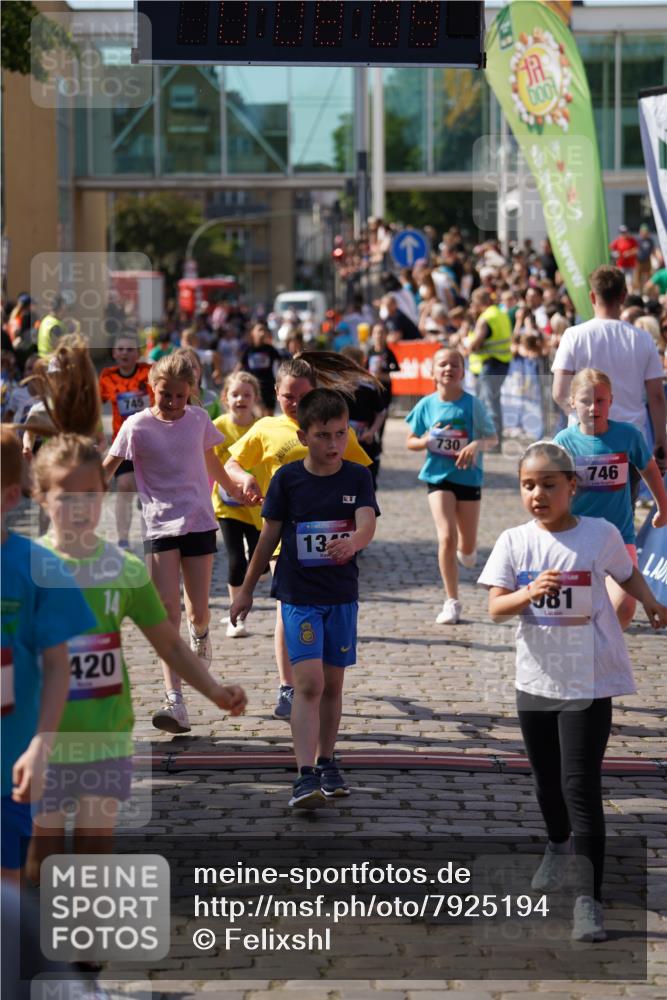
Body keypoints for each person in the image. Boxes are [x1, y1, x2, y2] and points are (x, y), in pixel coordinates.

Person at [26, 433, 246, 878]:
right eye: (65, 497)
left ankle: (83, 945)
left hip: (104, 733)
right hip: (39, 736)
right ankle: (36, 943)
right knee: (41, 855)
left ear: (103, 495)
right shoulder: (23, 567)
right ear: (41, 497)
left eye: (89, 495)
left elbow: (166, 642)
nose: (78, 507)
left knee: (93, 850)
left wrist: (214, 691)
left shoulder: (122, 570)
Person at [478, 441, 667, 942]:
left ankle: (589, 899)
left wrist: (649, 604)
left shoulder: (599, 534)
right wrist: (527, 592)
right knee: (546, 783)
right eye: (528, 485)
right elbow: (496, 608)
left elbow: (627, 574)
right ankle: (557, 845)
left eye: (548, 485)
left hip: (589, 678)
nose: (538, 494)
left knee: (579, 786)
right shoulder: (514, 542)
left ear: (572, 487)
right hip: (537, 678)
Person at [230, 388, 379, 809]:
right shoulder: (287, 479)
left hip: (341, 596)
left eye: (340, 434)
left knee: (333, 686)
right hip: (299, 595)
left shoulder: (357, 477)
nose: (334, 445)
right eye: (323, 436)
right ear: (302, 436)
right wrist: (246, 589)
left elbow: (366, 523)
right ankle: (304, 774)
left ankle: (328, 761)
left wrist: (352, 542)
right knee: (309, 684)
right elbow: (268, 537)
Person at [224, 353, 375, 721]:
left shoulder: (333, 429)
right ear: (276, 393)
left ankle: (316, 682)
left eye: (302, 396)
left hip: (328, 537)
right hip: (282, 533)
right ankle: (289, 686)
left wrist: (356, 528)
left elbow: (357, 470)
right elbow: (231, 462)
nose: (295, 404)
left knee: (320, 610)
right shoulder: (265, 428)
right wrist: (243, 478)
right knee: (286, 606)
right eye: (288, 396)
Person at [102, 352, 246, 734]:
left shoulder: (199, 420)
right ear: (153, 388)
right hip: (159, 526)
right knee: (167, 614)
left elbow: (212, 460)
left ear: (190, 394)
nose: (171, 403)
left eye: (179, 396)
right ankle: (174, 701)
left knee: (197, 611)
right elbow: (107, 468)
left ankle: (200, 635)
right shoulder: (135, 426)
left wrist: (234, 489)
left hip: (199, 521)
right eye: (165, 394)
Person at [0, 427, 94, 881]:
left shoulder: (38, 568)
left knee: (8, 885)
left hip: (9, 765)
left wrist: (42, 743)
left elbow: (58, 665)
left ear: (10, 496)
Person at [553, 368, 667, 629]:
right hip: (576, 538)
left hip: (619, 536)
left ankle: (603, 646)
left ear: (611, 401)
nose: (593, 408)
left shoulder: (627, 435)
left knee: (625, 606)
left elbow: (648, 468)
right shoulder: (564, 441)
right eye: (585, 401)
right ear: (572, 403)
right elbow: (551, 488)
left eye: (601, 401)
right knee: (576, 611)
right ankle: (588, 652)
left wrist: (663, 506)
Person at [406, 347, 497, 625]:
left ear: (463, 371)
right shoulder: (427, 404)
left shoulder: (473, 405)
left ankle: (466, 552)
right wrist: (426, 441)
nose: (448, 369)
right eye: (442, 364)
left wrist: (475, 444)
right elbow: (411, 440)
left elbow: (492, 439)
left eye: (455, 364)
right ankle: (452, 601)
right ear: (433, 372)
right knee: (446, 537)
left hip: (469, 478)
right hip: (438, 477)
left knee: (468, 550)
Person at [551, 266, 667, 477]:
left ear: (592, 296)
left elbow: (559, 392)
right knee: (624, 508)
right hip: (629, 441)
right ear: (623, 296)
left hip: (583, 440)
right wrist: (661, 440)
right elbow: (657, 396)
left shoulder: (574, 335)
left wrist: (583, 418)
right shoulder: (643, 338)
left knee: (579, 506)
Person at [212, 372, 263, 638]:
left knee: (260, 562)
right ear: (225, 398)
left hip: (256, 505)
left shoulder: (262, 427)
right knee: (236, 560)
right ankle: (237, 618)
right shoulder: (218, 427)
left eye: (246, 394)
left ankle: (256, 567)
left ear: (255, 398)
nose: (240, 399)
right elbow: (208, 462)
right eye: (235, 394)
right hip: (227, 503)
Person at [99, 334, 153, 548]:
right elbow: (94, 405)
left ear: (138, 354)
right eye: (120, 349)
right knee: (123, 485)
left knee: (148, 490)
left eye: (130, 349)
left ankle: (152, 535)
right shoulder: (107, 376)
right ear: (114, 353)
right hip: (123, 442)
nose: (124, 353)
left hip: (151, 441)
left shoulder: (149, 372)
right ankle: (123, 539)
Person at [462, 288, 512, 450]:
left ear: (479, 302)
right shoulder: (501, 313)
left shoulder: (485, 318)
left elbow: (474, 344)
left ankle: (492, 443)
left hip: (490, 365)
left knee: (488, 404)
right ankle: (493, 441)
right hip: (502, 363)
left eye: (473, 302)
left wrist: (466, 340)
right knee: (493, 402)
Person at [238, 323, 282, 415]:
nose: (262, 332)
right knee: (258, 413)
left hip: (268, 386)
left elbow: (282, 364)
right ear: (252, 333)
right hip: (253, 386)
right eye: (259, 330)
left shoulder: (270, 349)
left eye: (264, 330)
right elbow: (239, 366)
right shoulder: (248, 350)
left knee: (269, 415)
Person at [36, 294, 66, 358]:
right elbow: (60, 348)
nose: (65, 312)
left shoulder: (45, 320)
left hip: (42, 357)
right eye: (64, 308)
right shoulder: (56, 325)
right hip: (51, 361)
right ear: (61, 308)